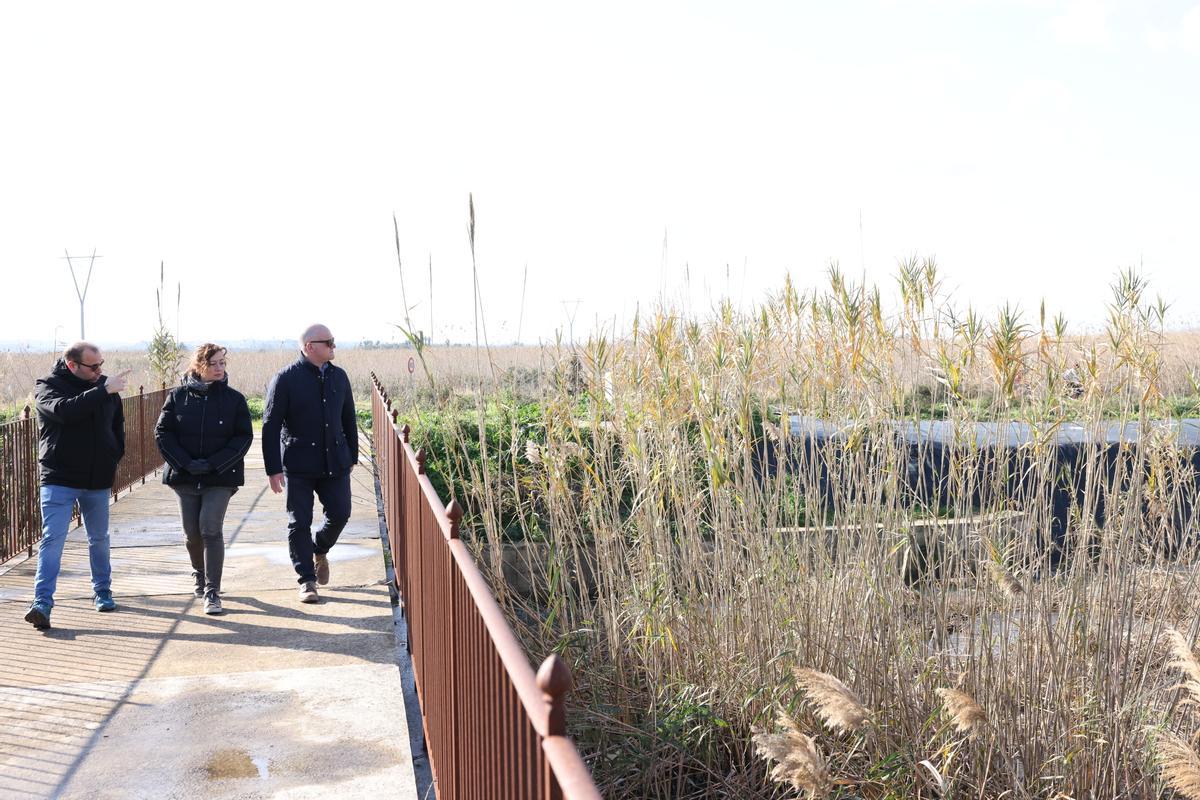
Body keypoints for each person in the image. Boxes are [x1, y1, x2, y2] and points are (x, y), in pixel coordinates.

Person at [24, 342, 131, 630]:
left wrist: (113, 456)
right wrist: (102, 390)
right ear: (73, 365)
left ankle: (102, 591)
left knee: (99, 538)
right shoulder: (48, 386)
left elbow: (117, 427)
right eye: (93, 366)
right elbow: (64, 411)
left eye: (101, 365)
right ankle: (42, 602)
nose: (100, 371)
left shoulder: (105, 390)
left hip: (97, 477)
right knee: (53, 538)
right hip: (59, 477)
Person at [262, 324, 358, 603]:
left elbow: (348, 418)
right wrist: (273, 469)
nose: (333, 347)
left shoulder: (339, 377)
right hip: (299, 462)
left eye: (333, 341)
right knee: (299, 521)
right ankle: (306, 580)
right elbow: (270, 425)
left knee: (340, 513)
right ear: (309, 347)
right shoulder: (285, 379)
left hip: (335, 462)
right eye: (328, 342)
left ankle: (319, 549)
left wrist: (351, 455)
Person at [155, 343, 253, 615]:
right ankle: (198, 572)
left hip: (220, 477)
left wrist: (213, 464)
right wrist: (186, 463)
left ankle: (212, 591)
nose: (220, 368)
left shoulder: (234, 399)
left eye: (223, 363)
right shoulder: (177, 397)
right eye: (214, 364)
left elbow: (243, 437)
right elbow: (163, 433)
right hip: (185, 476)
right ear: (199, 366)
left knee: (210, 529)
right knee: (192, 534)